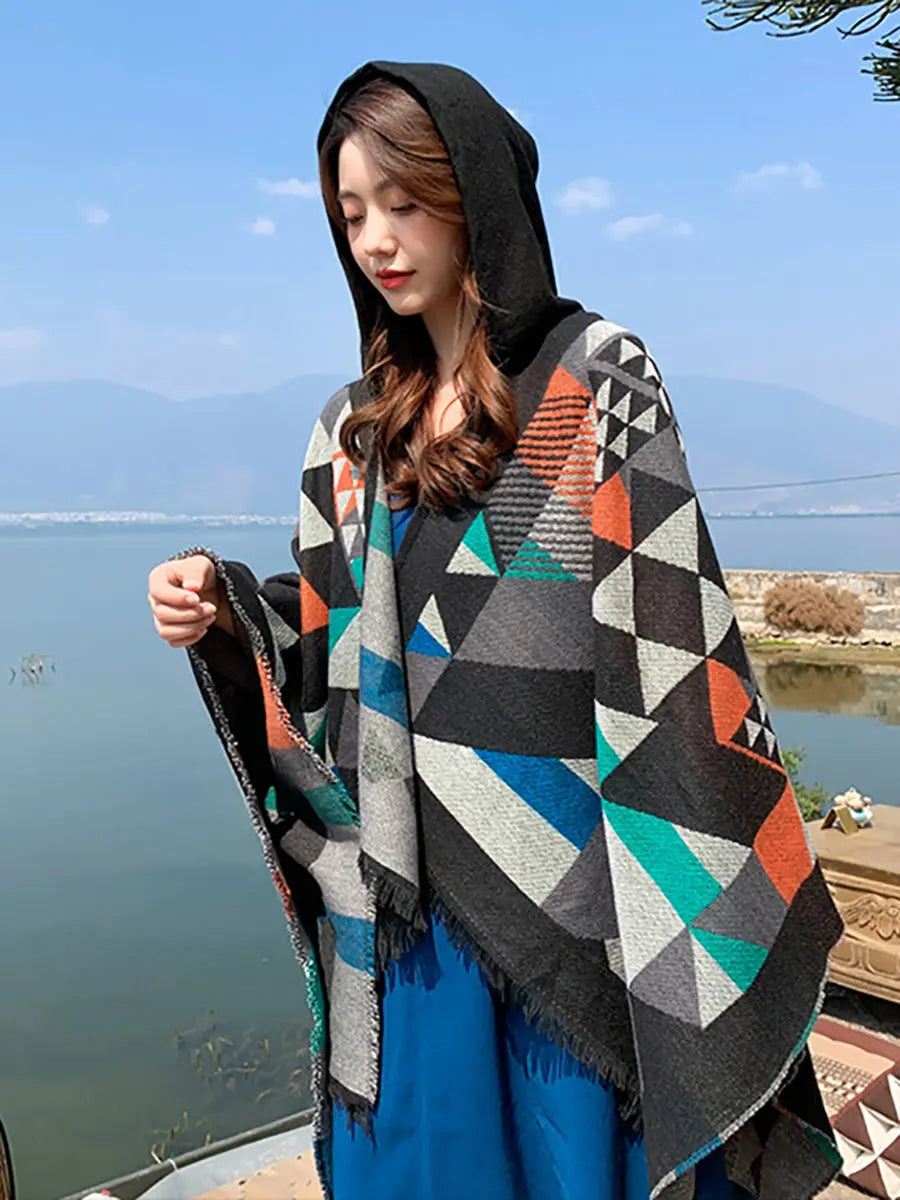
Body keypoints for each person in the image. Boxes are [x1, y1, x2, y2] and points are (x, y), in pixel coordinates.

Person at [147, 62, 843, 1200]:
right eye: (352, 215)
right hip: (402, 912)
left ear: (476, 195)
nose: (378, 240)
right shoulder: (352, 431)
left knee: (574, 1166)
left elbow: (667, 643)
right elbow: (322, 635)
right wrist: (223, 607)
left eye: (404, 202)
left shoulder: (592, 382)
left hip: (577, 905)